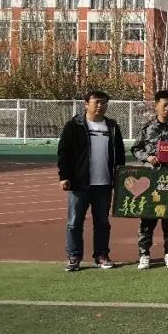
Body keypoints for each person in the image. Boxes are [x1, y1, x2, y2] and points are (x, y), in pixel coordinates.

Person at [57, 89, 126, 271]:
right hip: (80, 183)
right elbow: (64, 153)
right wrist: (64, 176)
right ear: (86, 104)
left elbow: (119, 154)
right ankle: (74, 257)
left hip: (104, 184)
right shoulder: (74, 125)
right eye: (96, 102)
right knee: (74, 222)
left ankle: (101, 255)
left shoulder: (112, 126)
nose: (100, 105)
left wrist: (119, 176)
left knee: (102, 222)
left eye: (103, 102)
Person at [132, 89, 168, 269]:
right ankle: (144, 254)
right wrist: (147, 157)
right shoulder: (147, 127)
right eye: (164, 105)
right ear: (156, 106)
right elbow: (136, 149)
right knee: (147, 216)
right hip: (151, 177)